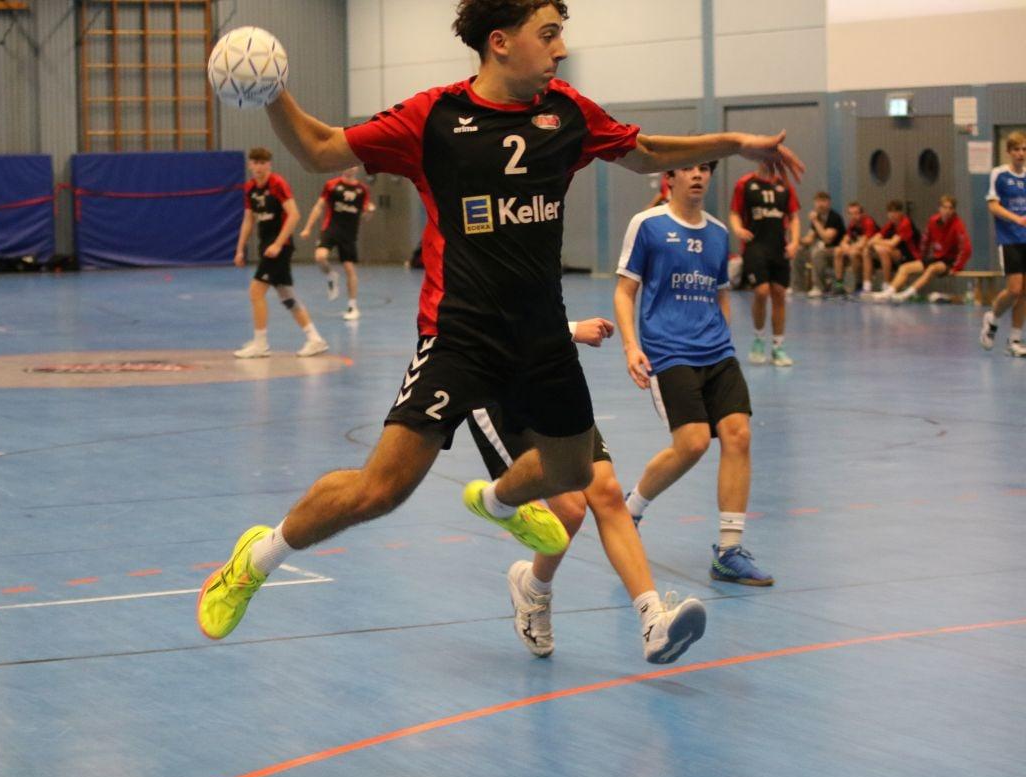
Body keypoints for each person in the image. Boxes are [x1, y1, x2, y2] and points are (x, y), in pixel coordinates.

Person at [195, 0, 802, 642]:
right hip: (459, 337)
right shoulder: (432, 117)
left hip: (543, 337)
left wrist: (736, 143)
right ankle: (256, 559)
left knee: (573, 472)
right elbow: (321, 149)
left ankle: (497, 501)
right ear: (501, 42)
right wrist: (272, 91)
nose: (561, 49)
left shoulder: (567, 112)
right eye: (549, 34)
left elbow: (646, 150)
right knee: (381, 490)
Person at [469, 317, 705, 664]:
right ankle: (535, 590)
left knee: (607, 492)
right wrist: (569, 329)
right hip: (496, 382)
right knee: (569, 509)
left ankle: (653, 620)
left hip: (554, 377)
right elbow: (483, 315)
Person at [615, 162, 773, 586]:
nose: (698, 175)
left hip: (717, 350)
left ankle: (729, 551)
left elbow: (721, 294)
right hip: (668, 351)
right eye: (688, 168)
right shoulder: (647, 224)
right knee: (693, 443)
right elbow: (625, 290)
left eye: (705, 168)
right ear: (670, 177)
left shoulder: (718, 233)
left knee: (739, 435)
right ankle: (630, 510)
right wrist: (631, 346)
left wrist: (725, 338)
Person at [233, 147, 329, 359]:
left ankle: (260, 344)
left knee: (255, 292)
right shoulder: (250, 188)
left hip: (280, 248)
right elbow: (248, 219)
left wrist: (278, 244)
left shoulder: (277, 184)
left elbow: (294, 215)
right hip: (266, 246)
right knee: (287, 295)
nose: (258, 167)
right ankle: (315, 339)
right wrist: (240, 249)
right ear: (250, 165)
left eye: (262, 163)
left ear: (269, 164)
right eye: (255, 163)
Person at [730, 162, 800, 367]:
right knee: (761, 292)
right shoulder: (745, 183)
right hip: (755, 246)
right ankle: (759, 339)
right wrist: (738, 229)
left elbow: (794, 217)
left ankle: (778, 347)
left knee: (779, 293)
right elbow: (735, 212)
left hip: (779, 247)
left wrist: (795, 242)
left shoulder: (784, 185)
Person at [299, 166, 374, 320]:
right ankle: (331, 275)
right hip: (331, 228)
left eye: (353, 165)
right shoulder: (331, 185)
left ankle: (352, 307)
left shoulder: (362, 190)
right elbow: (319, 207)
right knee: (320, 257)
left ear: (357, 168)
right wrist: (307, 228)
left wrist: (370, 211)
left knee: (350, 269)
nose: (350, 168)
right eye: (347, 165)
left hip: (349, 234)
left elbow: (365, 216)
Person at [979, 132, 1026, 356]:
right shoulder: (999, 174)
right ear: (1009, 151)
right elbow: (993, 206)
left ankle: (1014, 340)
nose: (1021, 153)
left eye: (1024, 149)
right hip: (1009, 239)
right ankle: (992, 319)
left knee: (1025, 292)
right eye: (1016, 149)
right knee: (1014, 289)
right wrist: (1017, 219)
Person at [880, 195, 971, 304]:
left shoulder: (958, 225)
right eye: (944, 207)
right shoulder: (933, 221)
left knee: (932, 268)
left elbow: (966, 249)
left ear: (953, 210)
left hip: (949, 261)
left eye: (950, 208)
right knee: (905, 267)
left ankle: (906, 294)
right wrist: (921, 258)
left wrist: (956, 267)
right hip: (936, 257)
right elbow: (925, 241)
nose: (947, 211)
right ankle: (888, 292)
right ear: (939, 208)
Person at [861, 200, 919, 300]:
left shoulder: (905, 223)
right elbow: (873, 239)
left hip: (910, 255)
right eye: (890, 212)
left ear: (901, 213)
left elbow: (893, 243)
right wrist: (874, 243)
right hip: (895, 253)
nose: (892, 215)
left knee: (882, 250)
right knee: (866, 251)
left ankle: (886, 284)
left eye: (895, 212)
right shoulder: (890, 224)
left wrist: (876, 242)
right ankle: (867, 286)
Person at [792, 190, 842, 297]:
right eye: (818, 201)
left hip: (835, 251)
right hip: (820, 250)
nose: (820, 204)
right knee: (798, 252)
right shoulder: (818, 218)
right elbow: (810, 238)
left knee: (818, 253)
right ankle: (798, 287)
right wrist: (797, 240)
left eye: (823, 201)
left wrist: (815, 221)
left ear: (828, 203)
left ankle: (818, 287)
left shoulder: (834, 217)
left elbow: (827, 239)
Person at [831, 201, 877, 295]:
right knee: (837, 251)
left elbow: (863, 243)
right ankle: (839, 285)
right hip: (857, 250)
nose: (853, 216)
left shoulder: (868, 222)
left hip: (872, 252)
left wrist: (849, 248)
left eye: (856, 213)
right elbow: (843, 241)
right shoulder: (852, 225)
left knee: (853, 253)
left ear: (862, 213)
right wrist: (846, 246)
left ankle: (860, 283)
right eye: (851, 214)